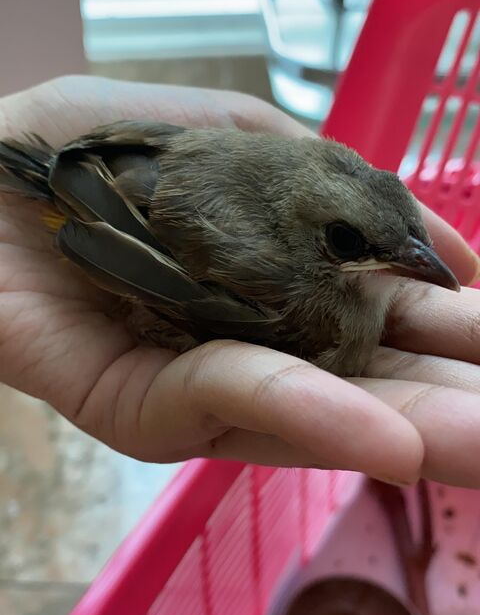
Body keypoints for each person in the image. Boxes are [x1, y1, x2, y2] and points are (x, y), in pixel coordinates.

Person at [1, 75, 480, 488]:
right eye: (347, 243)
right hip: (100, 196)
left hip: (113, 170)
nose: (415, 266)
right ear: (315, 230)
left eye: (414, 243)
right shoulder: (304, 300)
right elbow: (142, 272)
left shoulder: (308, 193)